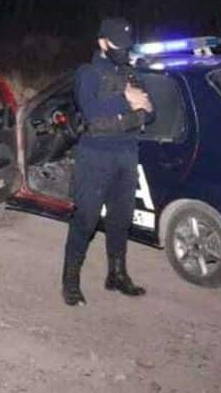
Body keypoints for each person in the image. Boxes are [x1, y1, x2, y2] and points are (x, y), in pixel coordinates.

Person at [62, 17, 153, 306]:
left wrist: (134, 108)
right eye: (117, 45)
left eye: (127, 46)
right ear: (102, 42)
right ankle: (71, 282)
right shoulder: (87, 73)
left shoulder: (129, 73)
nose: (123, 51)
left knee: (120, 221)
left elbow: (151, 112)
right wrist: (128, 101)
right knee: (85, 220)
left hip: (126, 155)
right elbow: (92, 112)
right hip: (95, 156)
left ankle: (116, 275)